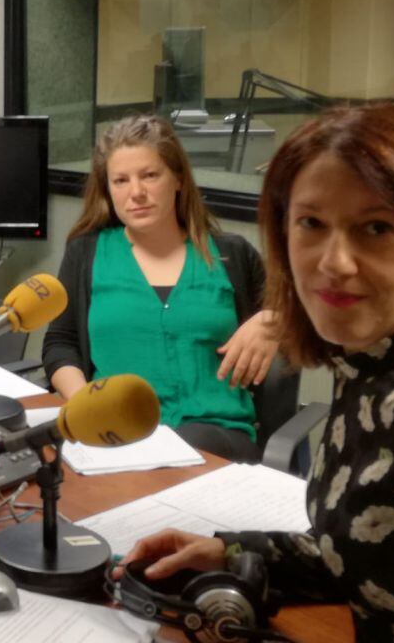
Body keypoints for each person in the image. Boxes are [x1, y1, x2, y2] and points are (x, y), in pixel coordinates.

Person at [119, 102, 394, 643]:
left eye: (376, 228)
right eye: (311, 224)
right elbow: (381, 554)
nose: (334, 262)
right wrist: (232, 553)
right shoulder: (373, 369)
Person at [42, 114, 278, 462]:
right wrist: (83, 403)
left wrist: (272, 320)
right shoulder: (86, 253)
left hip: (215, 435)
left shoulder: (231, 254)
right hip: (117, 436)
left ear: (178, 178)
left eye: (150, 175)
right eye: (120, 181)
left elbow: (307, 312)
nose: (136, 193)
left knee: (172, 455)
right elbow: (61, 343)